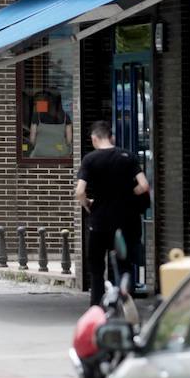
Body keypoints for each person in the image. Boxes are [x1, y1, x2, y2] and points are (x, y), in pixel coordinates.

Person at [76, 121, 150, 307]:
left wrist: (87, 204)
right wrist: (128, 194)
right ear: (112, 137)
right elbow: (144, 185)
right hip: (125, 222)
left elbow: (79, 191)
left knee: (96, 268)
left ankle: (97, 306)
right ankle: (125, 303)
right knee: (124, 266)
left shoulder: (90, 160)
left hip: (100, 222)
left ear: (94, 138)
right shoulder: (128, 156)